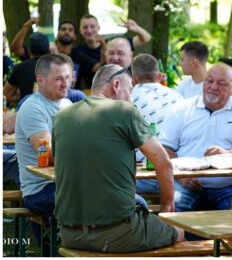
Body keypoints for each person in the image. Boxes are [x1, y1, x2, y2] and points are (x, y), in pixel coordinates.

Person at [53, 64, 184, 254]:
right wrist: (166, 207)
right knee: (180, 233)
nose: (131, 98)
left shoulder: (61, 116)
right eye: (130, 89)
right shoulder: (124, 111)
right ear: (116, 84)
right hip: (117, 233)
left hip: (68, 233)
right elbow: (164, 164)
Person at [159, 64, 232, 211]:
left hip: (229, 186)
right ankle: (186, 235)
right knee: (175, 210)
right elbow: (165, 148)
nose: (213, 87)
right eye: (209, 81)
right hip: (186, 183)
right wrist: (181, 176)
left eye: (221, 84)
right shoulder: (182, 109)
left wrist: (227, 154)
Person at [14, 54, 73, 255]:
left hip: (66, 183)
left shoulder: (67, 105)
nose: (65, 83)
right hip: (40, 190)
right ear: (40, 80)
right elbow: (49, 155)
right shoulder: (32, 107)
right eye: (58, 78)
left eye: (68, 76)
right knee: (94, 198)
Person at [130, 54, 183, 174]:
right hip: (176, 170)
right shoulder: (177, 96)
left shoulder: (128, 100)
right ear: (160, 76)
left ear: (133, 79)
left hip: (141, 171)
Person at [5, 32, 52, 103]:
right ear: (49, 51)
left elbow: (7, 94)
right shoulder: (58, 67)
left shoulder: (20, 68)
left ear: (29, 51)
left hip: (28, 110)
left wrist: (25, 96)